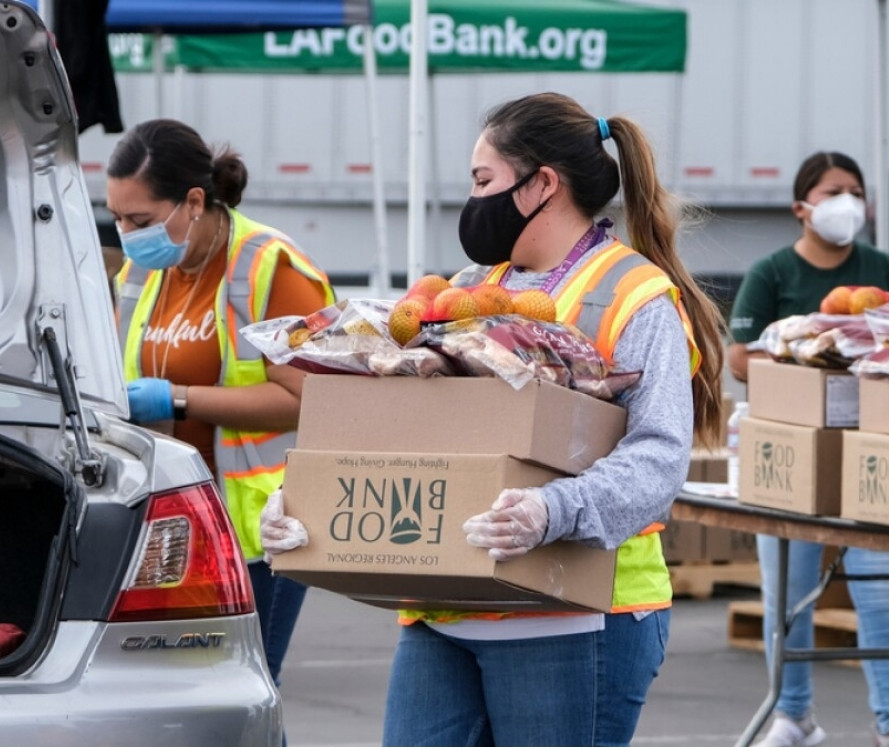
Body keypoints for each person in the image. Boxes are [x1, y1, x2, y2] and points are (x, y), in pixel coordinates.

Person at [262, 91, 727, 745]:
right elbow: (412, 422)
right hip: (448, 607)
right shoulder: (468, 285)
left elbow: (659, 454)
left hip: (578, 611)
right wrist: (305, 500)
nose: (473, 199)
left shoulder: (634, 296)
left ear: (542, 184)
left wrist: (553, 510)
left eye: (484, 181)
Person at [106, 119, 335, 697]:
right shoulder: (142, 271)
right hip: (170, 528)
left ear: (193, 201)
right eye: (117, 218)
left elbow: (310, 400)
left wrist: (180, 400)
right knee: (177, 700)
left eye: (140, 220)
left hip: (263, 527)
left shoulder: (269, 266)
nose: (126, 234)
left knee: (244, 695)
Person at [728, 151, 889, 747]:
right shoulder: (771, 274)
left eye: (855, 191)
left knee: (880, 591)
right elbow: (741, 359)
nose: (848, 202)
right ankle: (793, 715)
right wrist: (809, 354)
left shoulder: (885, 271)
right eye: (833, 191)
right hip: (793, 458)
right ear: (801, 209)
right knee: (787, 596)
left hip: (873, 451)